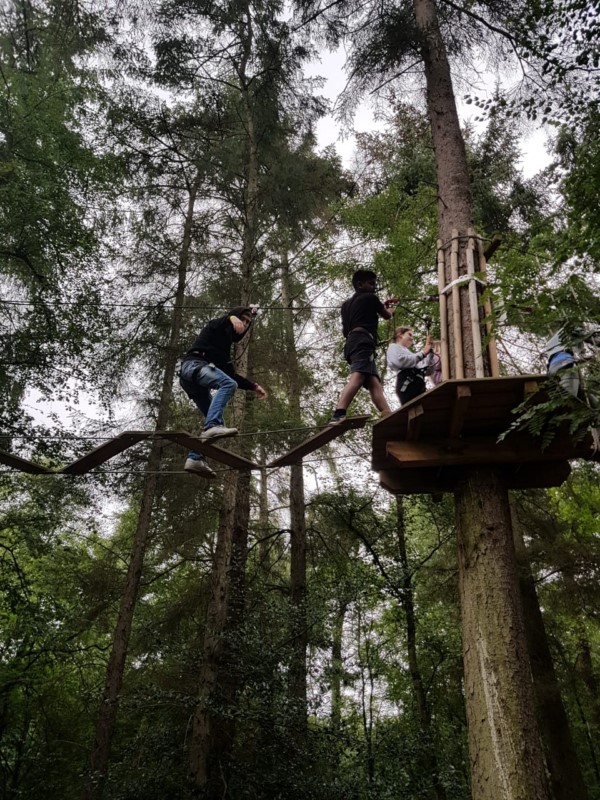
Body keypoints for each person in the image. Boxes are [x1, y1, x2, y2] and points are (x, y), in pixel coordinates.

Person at [179, 306, 267, 477]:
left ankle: (195, 458)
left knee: (216, 416)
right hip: (193, 365)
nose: (244, 323)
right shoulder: (216, 326)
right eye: (243, 319)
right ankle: (212, 426)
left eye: (248, 322)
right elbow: (221, 321)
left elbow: (231, 375)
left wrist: (254, 386)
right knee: (227, 387)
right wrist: (232, 317)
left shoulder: (224, 350)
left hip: (194, 383)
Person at [329, 269, 394, 424]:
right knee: (358, 376)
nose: (374, 286)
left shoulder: (345, 305)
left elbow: (345, 331)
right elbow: (387, 315)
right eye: (371, 283)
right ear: (360, 284)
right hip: (363, 342)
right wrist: (391, 309)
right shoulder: (371, 297)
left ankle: (387, 414)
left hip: (351, 343)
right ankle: (339, 412)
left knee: (373, 382)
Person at [545, 324, 600, 401]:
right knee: (569, 398)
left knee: (584, 396)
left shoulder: (554, 342)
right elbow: (589, 337)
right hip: (565, 365)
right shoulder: (569, 329)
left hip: (552, 369)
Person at [387, 326, 435, 405]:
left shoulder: (410, 354)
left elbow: (428, 371)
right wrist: (423, 353)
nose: (412, 338)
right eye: (410, 334)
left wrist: (429, 355)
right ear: (400, 335)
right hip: (407, 385)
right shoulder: (393, 347)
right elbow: (399, 361)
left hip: (418, 385)